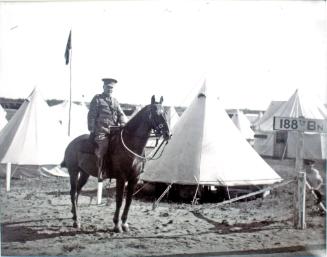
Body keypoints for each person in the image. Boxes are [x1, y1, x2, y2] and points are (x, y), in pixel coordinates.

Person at [87, 78, 127, 180]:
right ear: (103, 87)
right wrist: (92, 128)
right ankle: (102, 170)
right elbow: (91, 115)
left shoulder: (115, 101)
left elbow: (121, 114)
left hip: (115, 131)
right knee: (103, 148)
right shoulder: (97, 99)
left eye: (112, 88)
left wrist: (122, 122)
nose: (110, 89)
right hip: (101, 131)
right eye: (108, 87)